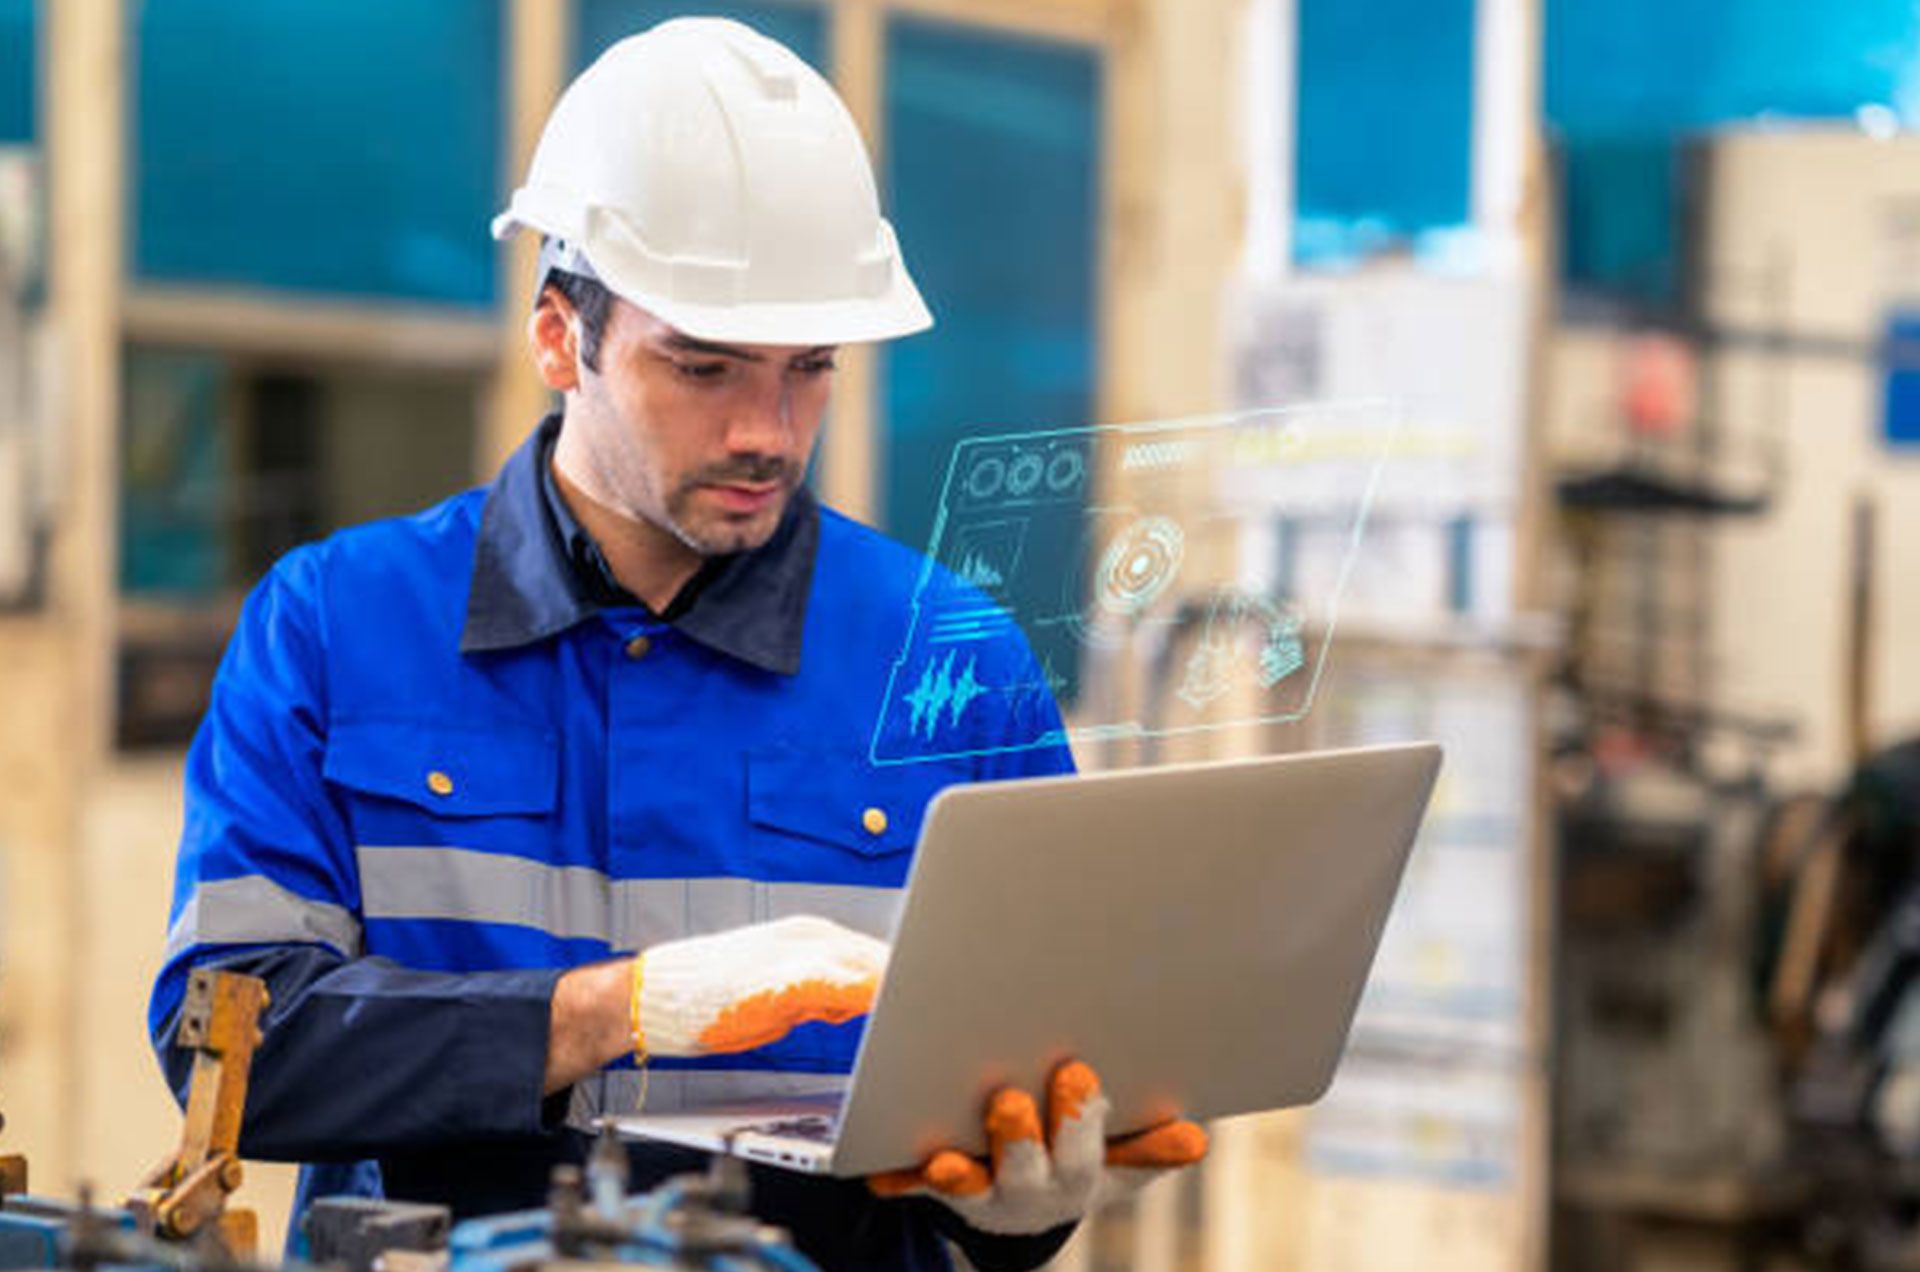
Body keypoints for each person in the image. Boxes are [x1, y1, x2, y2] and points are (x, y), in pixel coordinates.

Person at [148, 19, 1204, 1271]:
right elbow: (234, 1055)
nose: (768, 429)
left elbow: (1028, 1077)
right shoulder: (333, 627)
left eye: (807, 369)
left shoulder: (950, 659)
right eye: (703, 367)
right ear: (560, 338)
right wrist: (607, 1014)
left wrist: (1020, 1210)